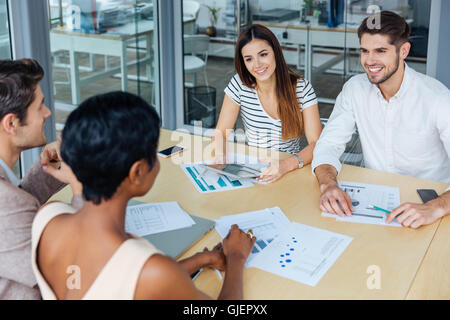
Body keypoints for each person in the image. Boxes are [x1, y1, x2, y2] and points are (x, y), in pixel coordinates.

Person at [31, 91, 256, 300]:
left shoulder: (47, 217)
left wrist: (202, 259)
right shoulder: (151, 270)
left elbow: (120, 279)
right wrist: (236, 258)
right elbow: (146, 275)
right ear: (137, 172)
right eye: (153, 153)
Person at [311, 11, 450, 228]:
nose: (370, 60)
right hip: (375, 204)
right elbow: (329, 144)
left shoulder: (438, 99)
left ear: (403, 51)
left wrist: (436, 206)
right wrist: (328, 185)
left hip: (432, 207)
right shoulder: (354, 89)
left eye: (380, 51)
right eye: (365, 51)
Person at [0, 59, 82, 299]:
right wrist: (79, 187)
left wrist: (52, 166)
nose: (47, 113)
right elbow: (69, 276)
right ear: (11, 123)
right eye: (40, 106)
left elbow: (16, 214)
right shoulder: (5, 203)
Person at [213, 24, 322, 183]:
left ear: (275, 53)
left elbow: (317, 143)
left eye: (263, 54)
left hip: (289, 170)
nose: (257, 65)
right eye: (249, 59)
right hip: (254, 170)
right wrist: (220, 157)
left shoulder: (301, 89)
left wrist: (285, 165)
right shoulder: (239, 84)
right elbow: (220, 133)